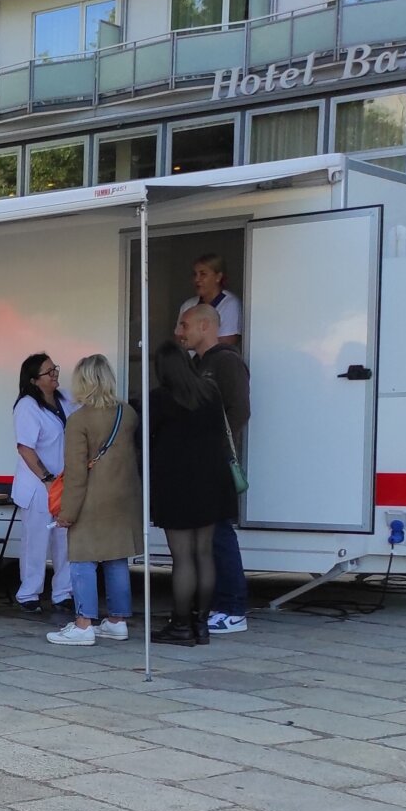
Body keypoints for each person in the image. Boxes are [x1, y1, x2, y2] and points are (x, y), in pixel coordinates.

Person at [149, 340, 238, 646]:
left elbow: (145, 440)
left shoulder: (159, 399)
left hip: (177, 485)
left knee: (182, 557)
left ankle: (181, 624)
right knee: (204, 553)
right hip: (213, 483)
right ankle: (201, 624)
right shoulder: (210, 393)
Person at [48, 355, 140, 646]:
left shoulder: (79, 420)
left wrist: (67, 512)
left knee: (82, 561)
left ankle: (84, 624)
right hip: (123, 498)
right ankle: (116, 621)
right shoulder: (128, 414)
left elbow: (76, 473)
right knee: (116, 559)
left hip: (90, 501)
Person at [178, 304, 251, 636]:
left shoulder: (227, 361)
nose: (180, 331)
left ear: (205, 325)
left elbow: (239, 410)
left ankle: (233, 609)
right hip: (195, 461)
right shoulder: (196, 364)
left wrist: (216, 447)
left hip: (216, 462)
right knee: (203, 536)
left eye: (185, 324)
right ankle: (212, 605)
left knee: (219, 534)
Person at [12, 352, 77, 614]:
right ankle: (29, 592)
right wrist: (47, 479)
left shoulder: (65, 399)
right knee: (36, 540)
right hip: (39, 484)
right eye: (49, 372)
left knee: (65, 539)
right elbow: (25, 448)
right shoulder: (27, 405)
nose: (55, 375)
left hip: (65, 481)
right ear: (34, 380)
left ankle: (63, 592)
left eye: (55, 369)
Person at [177, 253, 241, 348]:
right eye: (195, 274)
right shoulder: (188, 305)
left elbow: (225, 345)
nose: (197, 279)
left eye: (203, 274)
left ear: (218, 277)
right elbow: (179, 340)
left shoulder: (230, 304)